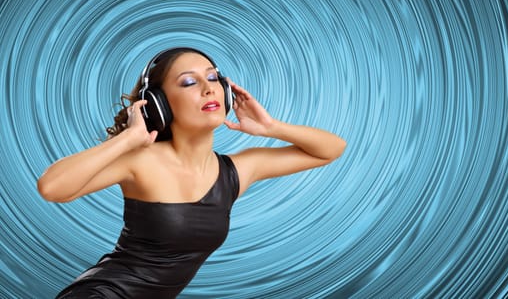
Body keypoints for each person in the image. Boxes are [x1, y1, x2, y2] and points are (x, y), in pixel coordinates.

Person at [38, 47, 347, 298]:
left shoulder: (236, 171)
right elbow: (51, 187)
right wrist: (128, 139)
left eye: (213, 78)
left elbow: (331, 149)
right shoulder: (141, 161)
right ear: (160, 104)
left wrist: (272, 127)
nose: (208, 89)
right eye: (189, 82)